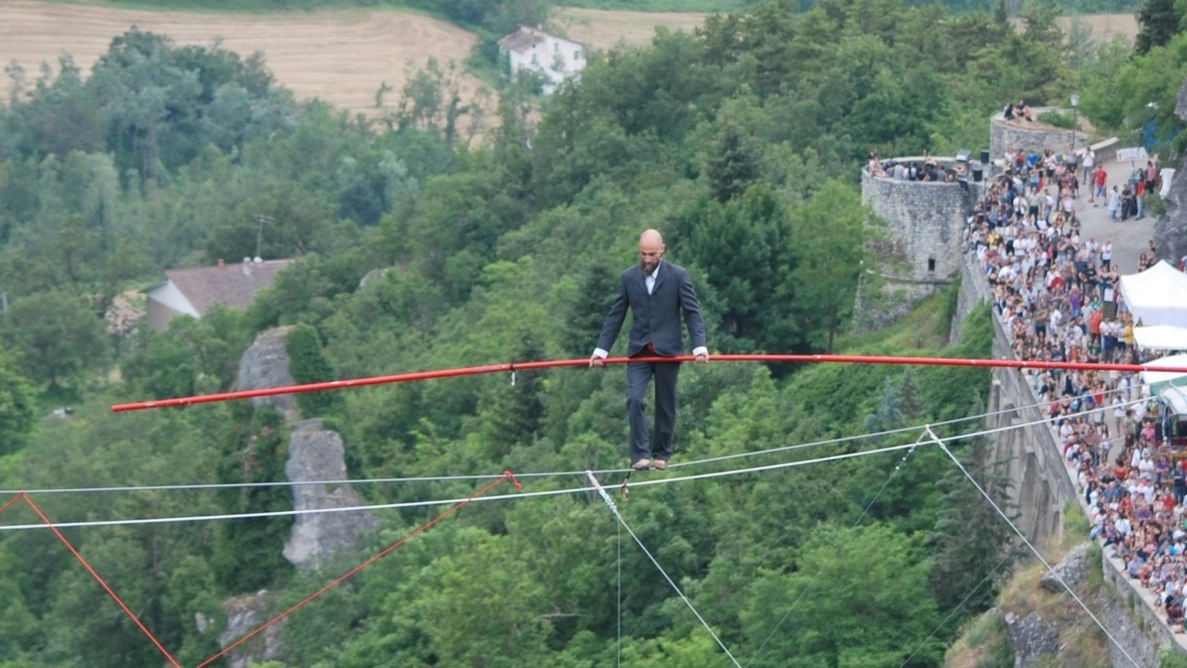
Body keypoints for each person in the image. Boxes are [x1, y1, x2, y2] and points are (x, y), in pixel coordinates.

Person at [590, 229, 709, 471]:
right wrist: (601, 350)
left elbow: (692, 313)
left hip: (668, 351)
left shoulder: (678, 276)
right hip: (639, 351)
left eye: (652, 254)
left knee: (665, 403)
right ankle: (640, 455)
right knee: (634, 399)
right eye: (643, 254)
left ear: (662, 249)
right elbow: (615, 316)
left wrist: (700, 346)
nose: (647, 259)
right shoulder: (629, 278)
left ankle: (662, 453)